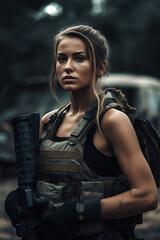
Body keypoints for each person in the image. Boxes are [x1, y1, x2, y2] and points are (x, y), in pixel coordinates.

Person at [5, 25, 158, 240]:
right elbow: (46, 186)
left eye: (79, 58)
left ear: (100, 67)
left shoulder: (111, 120)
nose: (67, 67)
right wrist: (18, 200)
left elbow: (147, 196)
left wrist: (77, 212)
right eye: (61, 59)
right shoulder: (48, 122)